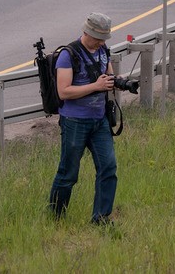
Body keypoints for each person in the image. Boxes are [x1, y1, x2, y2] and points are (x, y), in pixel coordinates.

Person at [48, 12, 118, 224]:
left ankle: (101, 218)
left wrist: (119, 82)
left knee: (108, 168)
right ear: (87, 32)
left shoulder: (103, 50)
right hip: (75, 122)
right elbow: (64, 92)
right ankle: (55, 218)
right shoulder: (68, 55)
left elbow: (109, 76)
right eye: (97, 37)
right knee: (69, 173)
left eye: (103, 38)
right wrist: (96, 86)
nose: (100, 42)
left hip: (99, 120)